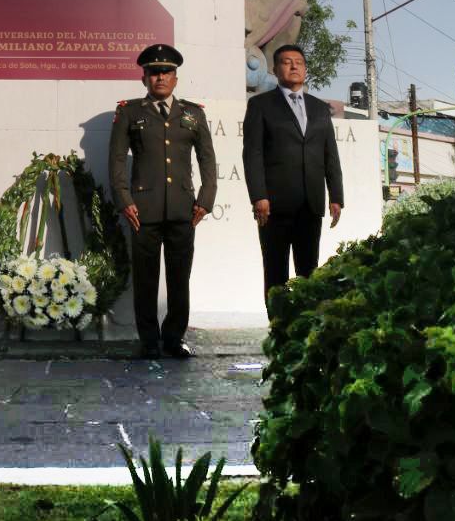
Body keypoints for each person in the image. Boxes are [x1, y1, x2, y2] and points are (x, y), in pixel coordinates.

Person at [109, 44, 217, 360]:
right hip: (142, 210)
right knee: (145, 279)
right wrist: (124, 200)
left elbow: (207, 160)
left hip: (184, 209)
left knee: (179, 278)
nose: (160, 78)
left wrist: (206, 200)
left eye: (166, 72)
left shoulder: (193, 113)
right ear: (144, 78)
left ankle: (173, 338)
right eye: (154, 72)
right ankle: (149, 340)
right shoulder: (130, 112)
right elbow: (116, 160)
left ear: (175, 78)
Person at [242, 44, 344, 308]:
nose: (294, 66)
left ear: (306, 69)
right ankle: (278, 329)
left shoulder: (319, 108)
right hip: (274, 205)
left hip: (311, 203)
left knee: (309, 271)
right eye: (287, 62)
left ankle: (304, 326)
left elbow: (329, 153)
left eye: (299, 62)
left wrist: (336, 196)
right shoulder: (261, 105)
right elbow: (252, 155)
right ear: (275, 70)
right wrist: (259, 196)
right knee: (276, 271)